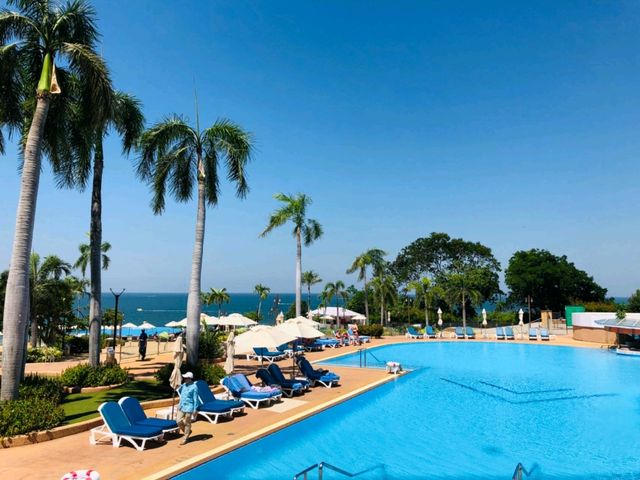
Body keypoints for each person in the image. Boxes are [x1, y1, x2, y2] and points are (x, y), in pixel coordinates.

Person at [176, 372, 202, 445]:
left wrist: (195, 409)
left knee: (187, 422)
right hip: (182, 406)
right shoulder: (184, 385)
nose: (185, 379)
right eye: (184, 378)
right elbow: (182, 396)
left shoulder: (194, 387)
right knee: (178, 420)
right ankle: (187, 431)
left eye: (186, 378)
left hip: (189, 407)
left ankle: (185, 438)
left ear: (190, 379)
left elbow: (195, 399)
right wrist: (179, 404)